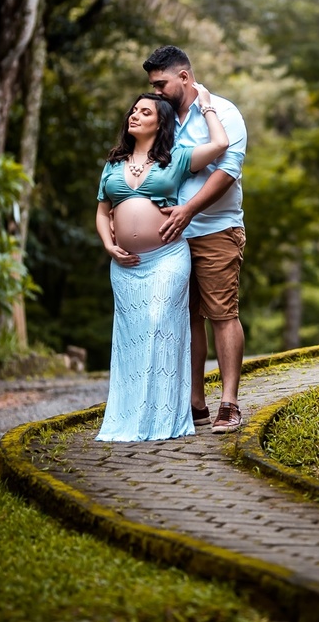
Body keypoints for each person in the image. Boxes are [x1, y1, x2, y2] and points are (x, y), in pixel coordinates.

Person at [94, 90, 228, 441]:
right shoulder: (113, 162)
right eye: (133, 111)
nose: (134, 116)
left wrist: (208, 107)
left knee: (158, 324)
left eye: (145, 112)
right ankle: (133, 416)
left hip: (167, 257)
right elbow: (101, 210)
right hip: (125, 265)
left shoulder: (178, 158)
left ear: (161, 122)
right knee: (132, 336)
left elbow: (220, 145)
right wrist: (109, 246)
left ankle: (165, 415)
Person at [143, 45, 248, 433]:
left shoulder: (223, 113)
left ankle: (229, 404)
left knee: (222, 314)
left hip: (215, 230)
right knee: (186, 318)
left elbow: (228, 171)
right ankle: (195, 403)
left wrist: (189, 211)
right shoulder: (162, 118)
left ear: (184, 78)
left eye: (160, 84)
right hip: (169, 236)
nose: (155, 92)